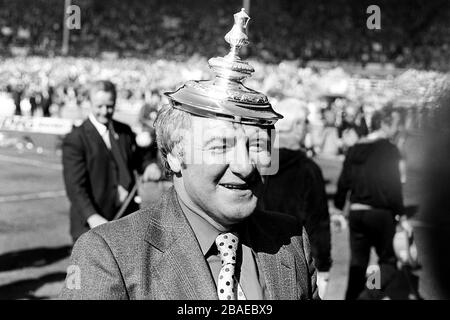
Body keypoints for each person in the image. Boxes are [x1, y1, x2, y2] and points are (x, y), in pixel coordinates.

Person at [60, 9, 318, 300]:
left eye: (257, 145)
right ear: (174, 154)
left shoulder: (292, 240)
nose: (245, 166)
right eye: (221, 145)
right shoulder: (109, 255)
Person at [62, 80, 160, 242]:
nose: (105, 111)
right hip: (91, 225)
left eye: (109, 106)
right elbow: (75, 187)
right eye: (99, 106)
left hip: (124, 220)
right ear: (90, 103)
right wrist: (92, 216)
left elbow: (139, 159)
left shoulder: (125, 132)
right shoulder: (76, 139)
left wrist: (149, 165)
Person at [262, 97, 332, 298]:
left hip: (254, 253)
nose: (307, 128)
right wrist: (324, 266)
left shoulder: (256, 161)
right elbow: (318, 223)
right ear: (297, 125)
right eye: (306, 123)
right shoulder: (307, 169)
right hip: (295, 259)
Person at [334, 108, 404, 299]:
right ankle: (372, 293)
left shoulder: (356, 148)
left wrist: (340, 207)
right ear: (384, 124)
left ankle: (353, 296)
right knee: (387, 261)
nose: (398, 130)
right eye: (396, 125)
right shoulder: (389, 150)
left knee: (358, 263)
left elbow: (343, 182)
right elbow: (394, 186)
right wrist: (401, 213)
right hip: (381, 213)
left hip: (357, 213)